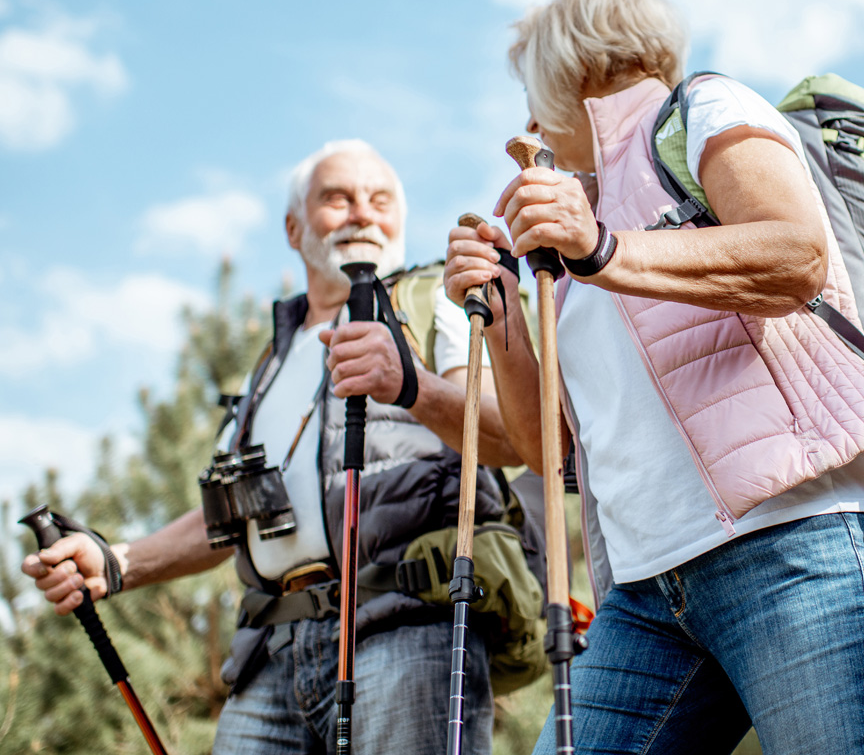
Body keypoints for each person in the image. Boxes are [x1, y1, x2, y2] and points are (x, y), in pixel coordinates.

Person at [443, 0, 864, 755]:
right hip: (644, 593)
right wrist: (501, 307)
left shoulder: (704, 109)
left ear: (573, 67)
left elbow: (795, 254)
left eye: (531, 91)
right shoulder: (577, 230)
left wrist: (604, 252)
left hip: (795, 542)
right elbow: (548, 452)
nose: (526, 123)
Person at [22, 138, 523, 755]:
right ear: (293, 227)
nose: (362, 213)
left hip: (405, 631)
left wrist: (411, 384)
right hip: (270, 654)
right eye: (337, 198)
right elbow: (234, 520)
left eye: (380, 199)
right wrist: (118, 562)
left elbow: (510, 437)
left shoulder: (435, 306)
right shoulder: (269, 365)